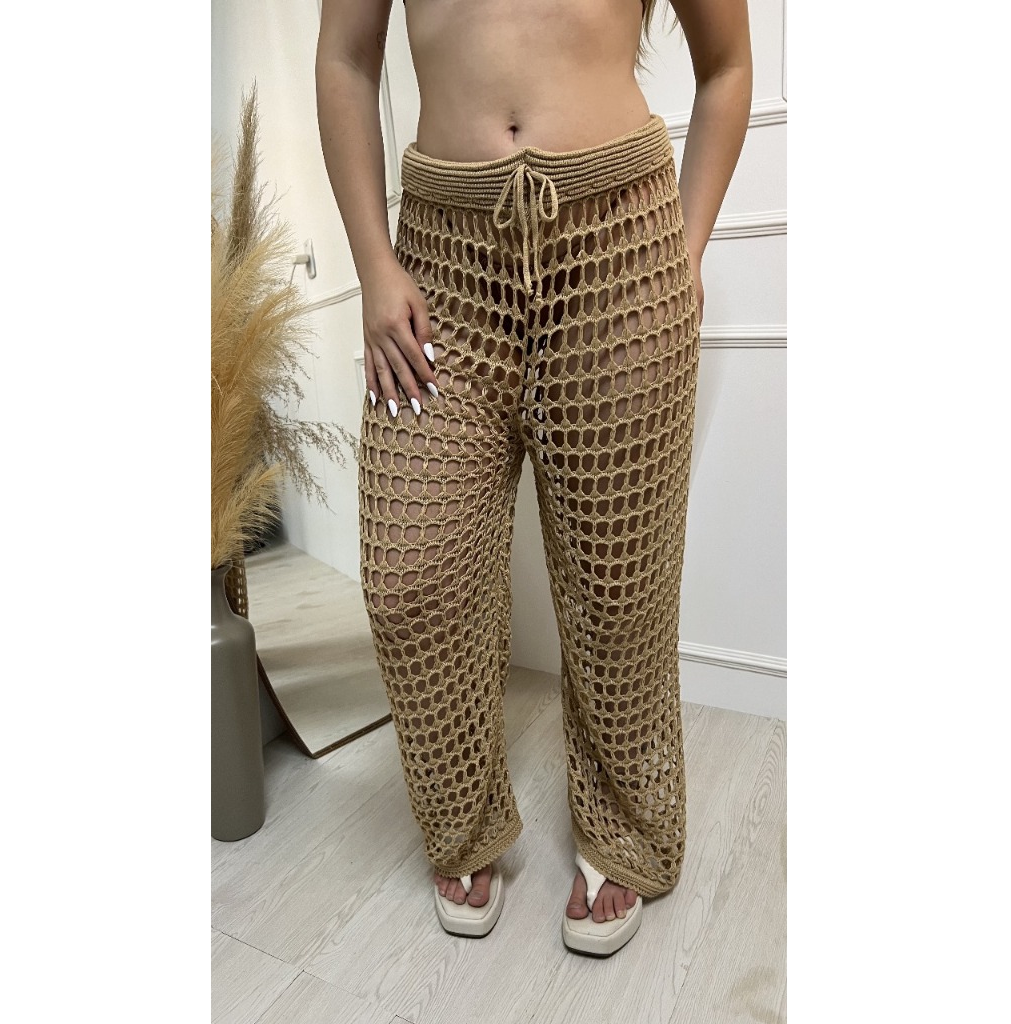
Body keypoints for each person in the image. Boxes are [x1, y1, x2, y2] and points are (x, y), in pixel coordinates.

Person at [315, 0, 751, 956]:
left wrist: (683, 251)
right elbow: (344, 59)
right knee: (410, 576)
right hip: (441, 259)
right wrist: (374, 265)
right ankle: (462, 818)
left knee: (621, 579)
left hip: (620, 237)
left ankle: (625, 829)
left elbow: (727, 65)